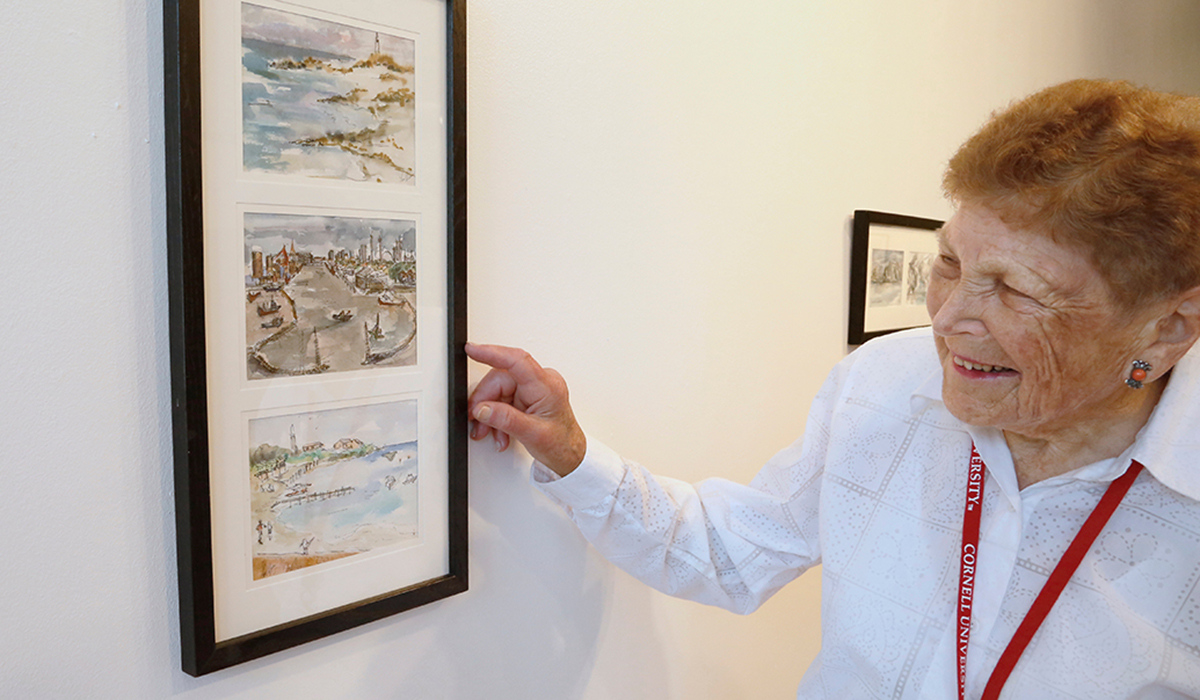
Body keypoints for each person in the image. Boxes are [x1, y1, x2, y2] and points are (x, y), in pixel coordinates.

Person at [466, 79, 1200, 699]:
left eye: (1015, 289)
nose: (947, 320)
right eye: (946, 262)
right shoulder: (886, 383)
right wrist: (570, 451)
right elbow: (730, 552)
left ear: (1167, 329)